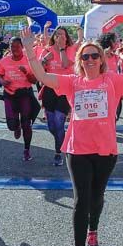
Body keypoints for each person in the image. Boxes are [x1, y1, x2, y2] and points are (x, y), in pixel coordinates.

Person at [21, 25, 123, 246]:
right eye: (85, 56)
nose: (90, 60)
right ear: (79, 60)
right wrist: (30, 51)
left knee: (96, 196)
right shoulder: (73, 82)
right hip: (77, 148)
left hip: (105, 149)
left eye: (94, 55)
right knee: (81, 200)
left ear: (102, 60)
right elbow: (43, 77)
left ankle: (94, 229)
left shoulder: (112, 80)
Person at [0, 36, 40, 161]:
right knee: (11, 125)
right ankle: (16, 127)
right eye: (12, 46)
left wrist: (26, 72)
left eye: (17, 46)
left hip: (25, 94)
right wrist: (3, 82)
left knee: (27, 123)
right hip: (10, 95)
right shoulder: (4, 61)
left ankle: (27, 149)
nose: (14, 48)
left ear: (22, 47)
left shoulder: (29, 60)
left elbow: (34, 80)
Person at [40, 26, 77, 166]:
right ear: (53, 37)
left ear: (66, 38)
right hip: (50, 89)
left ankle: (58, 153)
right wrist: (44, 59)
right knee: (51, 126)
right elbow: (38, 68)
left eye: (62, 35)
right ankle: (63, 139)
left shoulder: (70, 50)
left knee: (59, 121)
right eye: (57, 35)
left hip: (65, 89)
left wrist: (62, 49)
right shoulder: (47, 50)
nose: (60, 37)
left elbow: (66, 64)